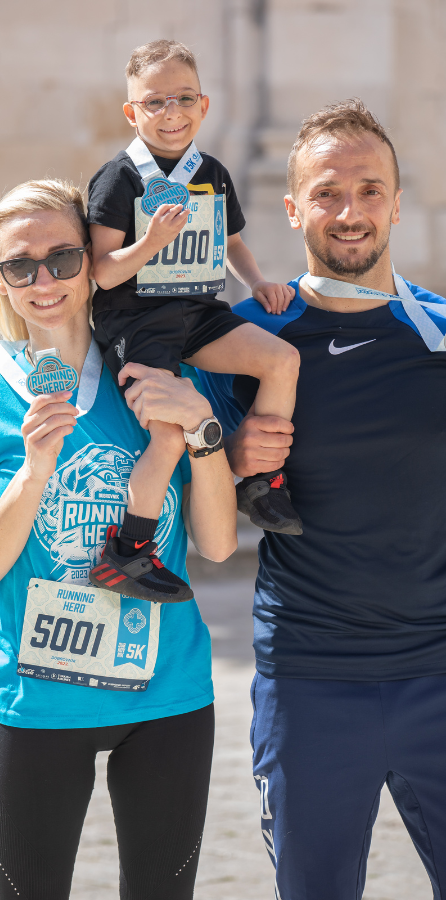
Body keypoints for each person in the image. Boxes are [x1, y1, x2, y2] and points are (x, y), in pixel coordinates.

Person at [0, 179, 237, 897]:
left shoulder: (160, 376)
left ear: (94, 262)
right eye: (20, 265)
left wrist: (201, 430)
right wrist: (33, 472)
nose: (43, 280)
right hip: (38, 698)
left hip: (167, 693)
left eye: (63, 258)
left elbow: (220, 546)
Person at [200, 99, 446, 895]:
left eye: (370, 190)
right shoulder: (243, 337)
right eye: (329, 192)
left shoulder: (440, 333)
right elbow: (188, 500)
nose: (350, 211)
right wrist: (228, 454)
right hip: (309, 684)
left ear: (398, 203)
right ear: (293, 206)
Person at [84, 40, 302, 606]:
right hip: (137, 320)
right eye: (155, 102)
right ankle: (127, 551)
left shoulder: (211, 172)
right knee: (169, 435)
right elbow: (103, 273)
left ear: (203, 106)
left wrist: (256, 282)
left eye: (183, 99)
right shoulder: (117, 179)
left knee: (282, 359)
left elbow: (229, 242)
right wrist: (150, 242)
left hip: (199, 311)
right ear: (132, 112)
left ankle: (260, 480)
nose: (171, 112)